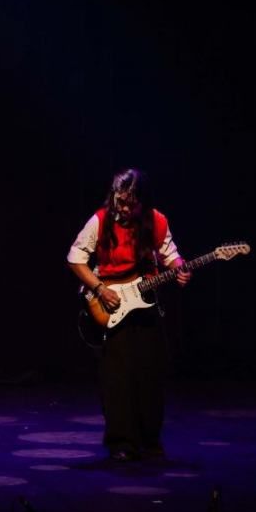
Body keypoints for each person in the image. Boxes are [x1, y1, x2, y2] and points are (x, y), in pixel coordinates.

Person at [66, 168, 190, 462]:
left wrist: (181, 269)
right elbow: (75, 258)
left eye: (129, 203)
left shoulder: (157, 220)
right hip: (112, 304)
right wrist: (98, 288)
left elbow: (171, 255)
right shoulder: (100, 220)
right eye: (119, 201)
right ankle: (121, 443)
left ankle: (149, 442)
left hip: (146, 304)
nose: (122, 208)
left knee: (151, 374)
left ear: (142, 202)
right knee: (117, 378)